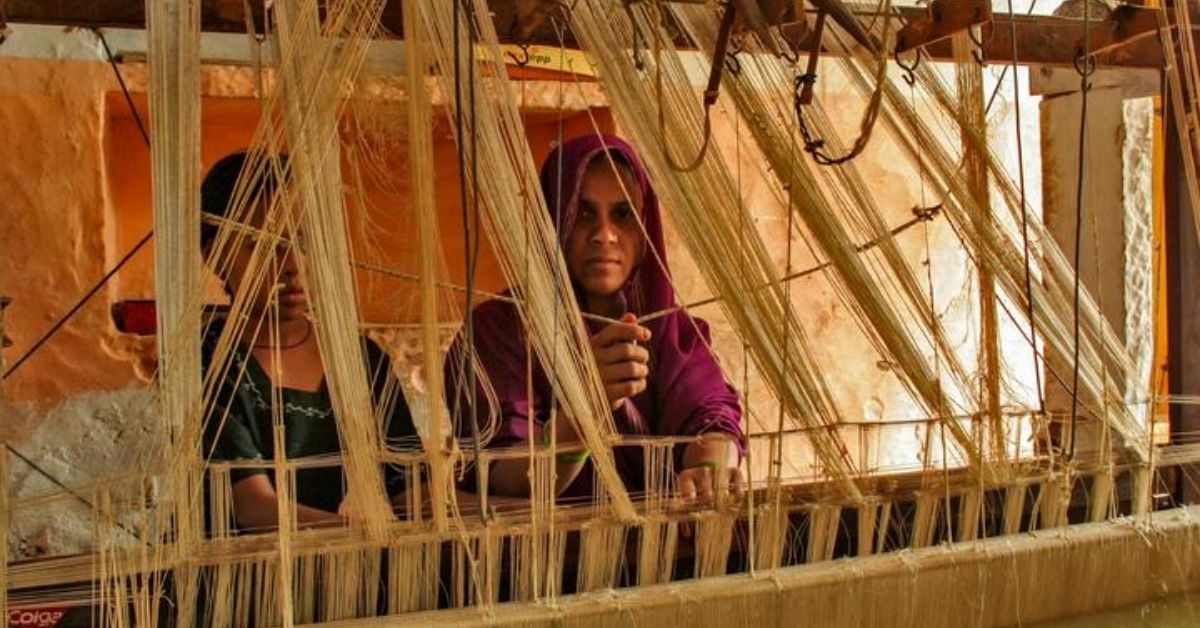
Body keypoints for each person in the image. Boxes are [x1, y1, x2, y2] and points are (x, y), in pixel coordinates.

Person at [447, 134, 743, 503]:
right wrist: (587, 406)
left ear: (645, 229)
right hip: (550, 553)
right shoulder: (498, 330)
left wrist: (709, 469)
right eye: (582, 212)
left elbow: (712, 417)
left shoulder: (670, 330)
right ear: (552, 222)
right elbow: (504, 479)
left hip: (669, 549)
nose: (604, 234)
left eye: (623, 214)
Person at [200, 150, 419, 531]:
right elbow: (254, 509)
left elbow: (414, 492)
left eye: (304, 241)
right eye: (263, 244)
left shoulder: (359, 358)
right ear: (215, 255)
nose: (292, 264)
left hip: (349, 570)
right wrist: (375, 538)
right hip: (252, 578)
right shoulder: (207, 361)